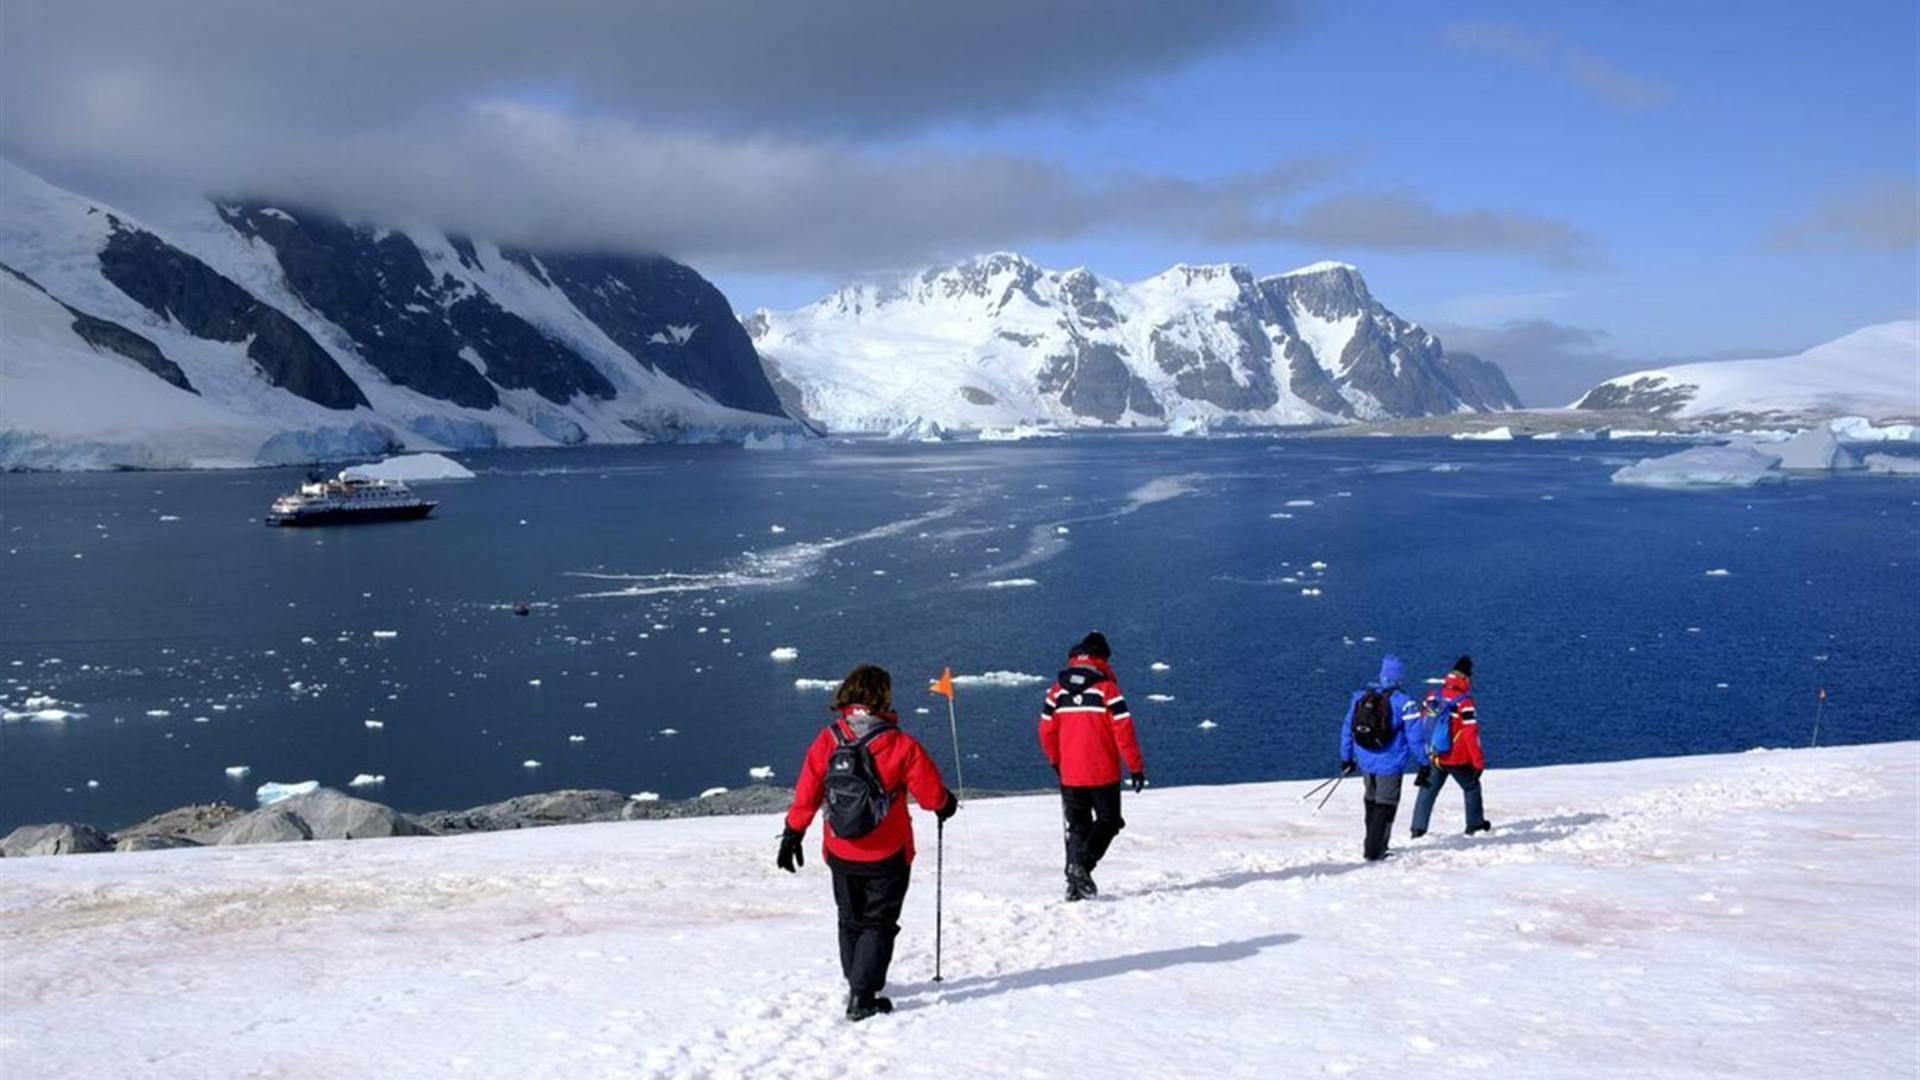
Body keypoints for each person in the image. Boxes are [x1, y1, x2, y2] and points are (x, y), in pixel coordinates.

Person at [779, 663, 958, 1021]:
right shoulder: (900, 744)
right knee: (879, 921)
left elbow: (807, 792)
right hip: (887, 853)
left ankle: (856, 979)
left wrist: (792, 834)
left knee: (850, 918)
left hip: (840, 850)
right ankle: (863, 995)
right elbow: (931, 796)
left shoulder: (827, 739)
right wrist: (946, 805)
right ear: (882, 698)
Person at [1037, 631, 1145, 901]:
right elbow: (1124, 732)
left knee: (1077, 826)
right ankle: (1082, 866)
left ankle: (1074, 886)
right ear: (1102, 657)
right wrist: (1135, 767)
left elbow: (1045, 731)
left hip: (1070, 772)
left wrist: (1055, 761)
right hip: (1102, 771)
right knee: (1109, 821)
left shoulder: (1056, 691)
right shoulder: (1107, 690)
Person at [1339, 654, 1423, 861]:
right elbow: (1416, 738)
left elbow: (1347, 729)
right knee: (1385, 805)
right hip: (1390, 762)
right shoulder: (1405, 703)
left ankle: (1371, 844)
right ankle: (1375, 851)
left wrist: (1346, 758)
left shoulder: (1360, 698)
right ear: (1399, 677)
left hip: (1366, 760)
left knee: (1371, 800)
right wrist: (1424, 762)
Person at [1409, 655, 1492, 838]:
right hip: (1457, 757)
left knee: (1428, 789)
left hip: (1435, 755)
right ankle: (1475, 825)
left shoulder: (1432, 696)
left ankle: (1418, 829)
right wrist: (1478, 763)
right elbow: (1471, 735)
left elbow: (1423, 723)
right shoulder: (1464, 702)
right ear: (1466, 678)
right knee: (1471, 787)